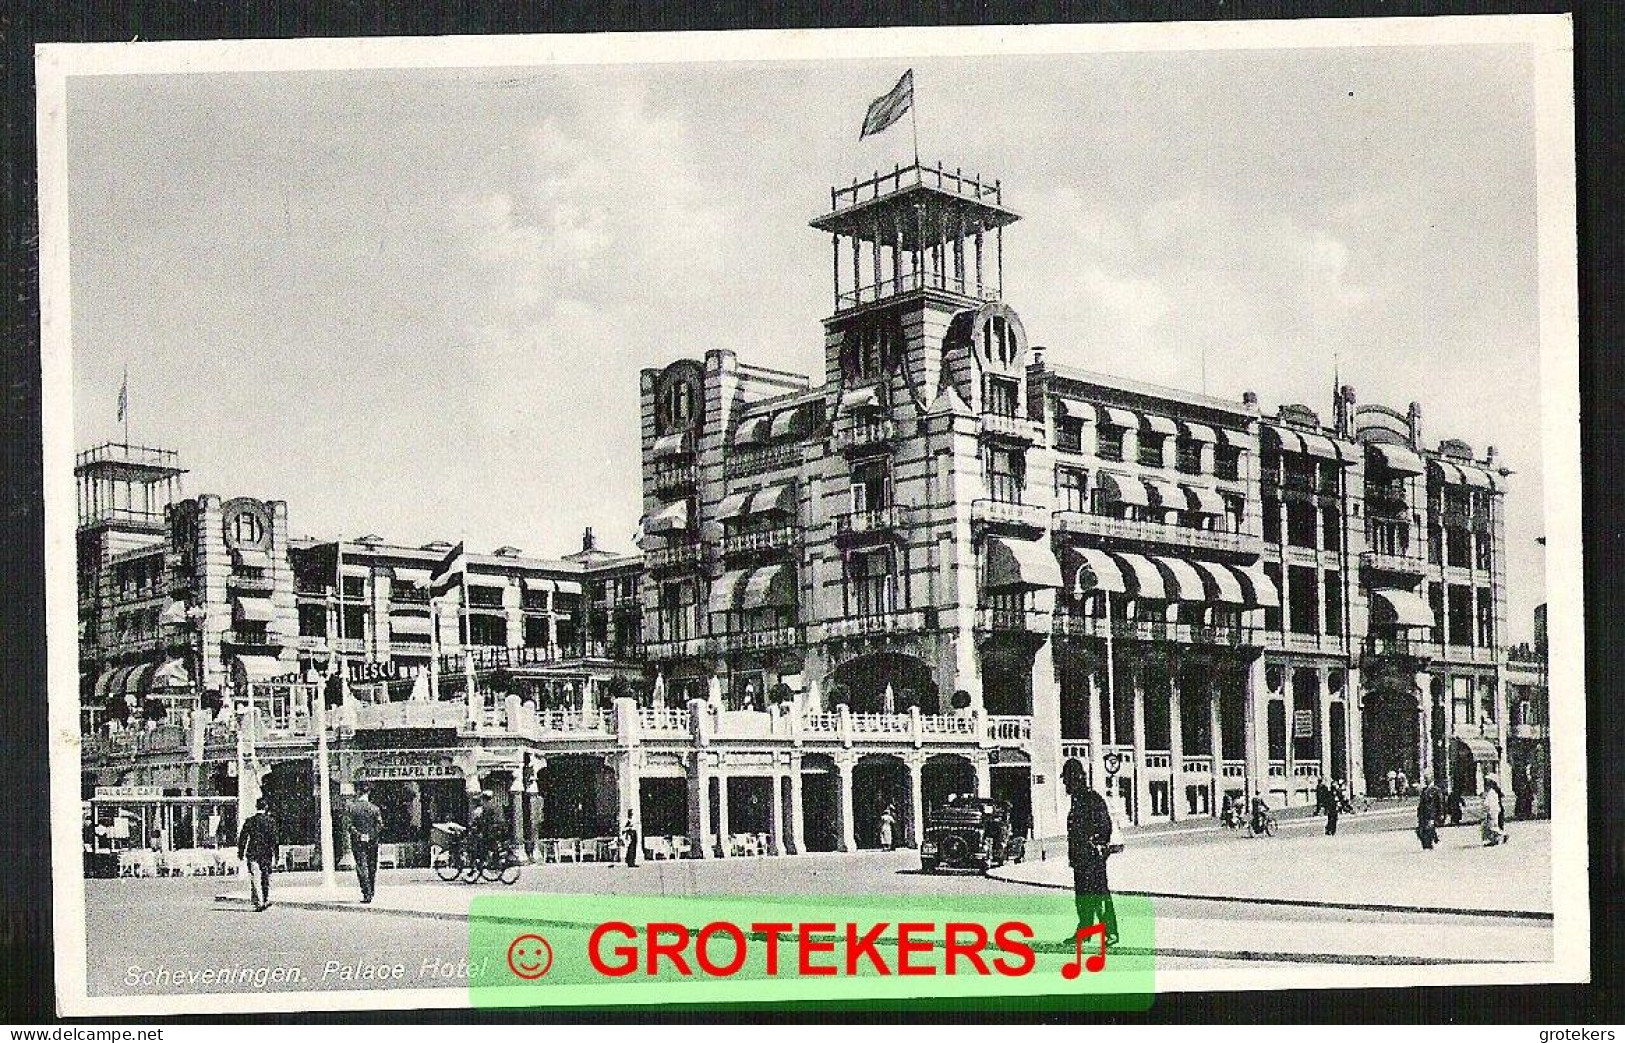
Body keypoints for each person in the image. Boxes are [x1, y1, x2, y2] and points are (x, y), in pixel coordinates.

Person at [1062, 759, 1119, 946]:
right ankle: (1085, 932)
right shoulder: (1077, 800)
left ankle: (1110, 932)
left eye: (1067, 780)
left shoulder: (1091, 798)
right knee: (1082, 897)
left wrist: (1097, 844)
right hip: (1080, 859)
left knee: (1099, 894)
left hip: (1092, 858)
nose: (1064, 784)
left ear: (1075, 779)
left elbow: (1105, 825)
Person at [236, 798, 278, 911]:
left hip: (253, 852)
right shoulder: (270, 821)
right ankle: (266, 899)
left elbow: (243, 838)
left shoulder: (250, 821)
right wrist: (276, 855)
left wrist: (240, 852)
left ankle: (258, 902)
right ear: (266, 807)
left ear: (256, 807)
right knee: (266, 876)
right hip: (266, 853)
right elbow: (274, 840)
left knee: (255, 877)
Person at [347, 786, 383, 904]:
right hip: (372, 842)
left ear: (358, 793)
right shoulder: (375, 808)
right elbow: (379, 825)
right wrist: (370, 835)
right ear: (368, 793)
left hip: (358, 842)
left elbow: (349, 825)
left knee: (362, 866)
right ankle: (371, 890)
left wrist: (360, 835)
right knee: (372, 866)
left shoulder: (352, 808)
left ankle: (366, 892)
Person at [1416, 780, 1443, 850]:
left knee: (1428, 828)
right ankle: (1429, 842)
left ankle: (1430, 843)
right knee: (1422, 829)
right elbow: (1421, 804)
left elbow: (1439, 804)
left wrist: (1440, 814)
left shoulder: (1435, 790)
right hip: (1423, 813)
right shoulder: (1424, 790)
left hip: (1431, 813)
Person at [1481, 778, 1508, 846]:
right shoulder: (1493, 792)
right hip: (1494, 811)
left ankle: (1502, 835)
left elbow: (1489, 803)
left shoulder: (1491, 793)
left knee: (1491, 827)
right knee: (1489, 827)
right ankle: (1494, 840)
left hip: (1492, 811)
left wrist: (1486, 809)